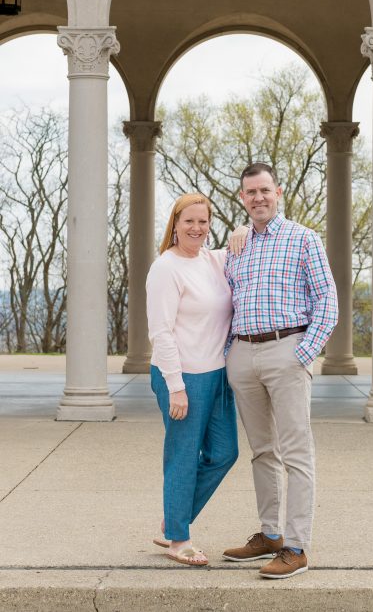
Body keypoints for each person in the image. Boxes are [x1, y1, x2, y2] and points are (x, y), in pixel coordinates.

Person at [222, 162, 338, 579]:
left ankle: (296, 546)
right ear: (242, 198)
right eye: (250, 192)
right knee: (263, 452)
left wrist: (303, 354)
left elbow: (328, 300)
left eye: (265, 190)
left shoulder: (303, 239)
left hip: (287, 348)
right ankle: (270, 535)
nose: (258, 198)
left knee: (296, 452)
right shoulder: (236, 246)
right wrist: (228, 354)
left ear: (279, 191)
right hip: (243, 355)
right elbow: (224, 300)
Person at [147, 193, 239, 566]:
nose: (197, 228)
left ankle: (173, 518)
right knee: (183, 458)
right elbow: (161, 332)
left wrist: (243, 228)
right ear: (175, 223)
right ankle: (178, 541)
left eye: (203, 221)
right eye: (189, 221)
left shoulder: (211, 260)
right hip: (181, 376)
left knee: (224, 453)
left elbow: (243, 238)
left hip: (217, 375)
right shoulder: (166, 268)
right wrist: (176, 386)